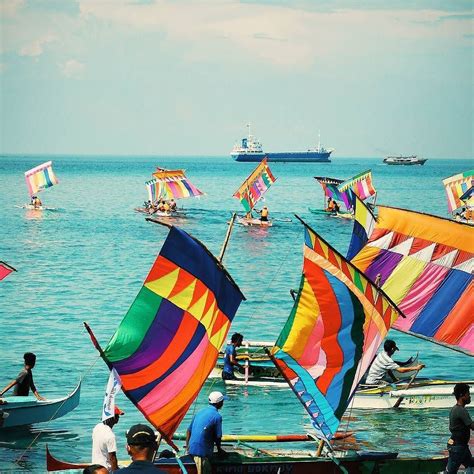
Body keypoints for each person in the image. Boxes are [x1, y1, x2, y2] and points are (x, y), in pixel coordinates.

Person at [186, 391, 227, 474]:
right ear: (219, 403)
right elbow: (218, 437)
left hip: (191, 451)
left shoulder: (200, 412)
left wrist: (188, 447)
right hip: (202, 454)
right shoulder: (217, 416)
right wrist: (219, 451)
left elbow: (188, 431)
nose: (223, 403)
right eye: (222, 401)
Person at [446, 383, 473, 473]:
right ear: (462, 395)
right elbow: (472, 426)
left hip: (460, 446)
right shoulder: (461, 410)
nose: (470, 397)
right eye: (468, 394)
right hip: (458, 448)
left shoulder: (455, 409)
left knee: (470, 465)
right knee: (451, 472)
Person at [91, 406, 124, 471]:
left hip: (94, 467)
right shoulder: (110, 435)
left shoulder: (97, 427)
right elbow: (112, 458)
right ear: (113, 418)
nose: (118, 417)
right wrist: (116, 472)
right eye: (117, 416)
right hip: (105, 470)